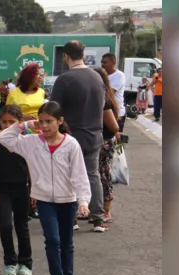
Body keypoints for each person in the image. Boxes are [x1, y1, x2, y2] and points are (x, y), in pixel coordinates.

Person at [0, 101, 91, 275]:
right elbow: (4, 139)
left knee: (67, 242)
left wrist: (83, 201)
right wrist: (23, 125)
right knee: (52, 240)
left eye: (49, 121)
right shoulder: (31, 142)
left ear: (60, 121)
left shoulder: (71, 145)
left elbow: (80, 176)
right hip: (44, 200)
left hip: (68, 200)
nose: (45, 126)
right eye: (41, 121)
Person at [50, 40, 107, 232]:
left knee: (68, 176)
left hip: (72, 136)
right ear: (83, 54)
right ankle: (98, 217)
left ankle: (72, 218)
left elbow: (53, 109)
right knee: (93, 174)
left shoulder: (65, 79)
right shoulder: (97, 77)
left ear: (66, 56)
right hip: (95, 134)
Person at [0, 104, 32, 275]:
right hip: (2, 189)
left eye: (11, 122)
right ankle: (9, 263)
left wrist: (34, 190)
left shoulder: (26, 140)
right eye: (3, 122)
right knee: (5, 225)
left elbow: (30, 167)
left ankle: (25, 262)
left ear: (19, 123)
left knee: (22, 226)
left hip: (22, 188)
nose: (6, 125)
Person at [92, 67, 121, 225]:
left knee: (102, 175)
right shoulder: (102, 97)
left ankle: (106, 211)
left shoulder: (104, 100)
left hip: (103, 142)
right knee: (96, 175)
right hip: (97, 141)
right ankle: (95, 209)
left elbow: (114, 126)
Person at [101, 53, 127, 132]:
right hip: (105, 113)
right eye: (101, 62)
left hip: (117, 114)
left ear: (113, 62)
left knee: (116, 139)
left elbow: (109, 93)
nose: (102, 65)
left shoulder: (119, 76)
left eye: (105, 62)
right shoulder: (102, 75)